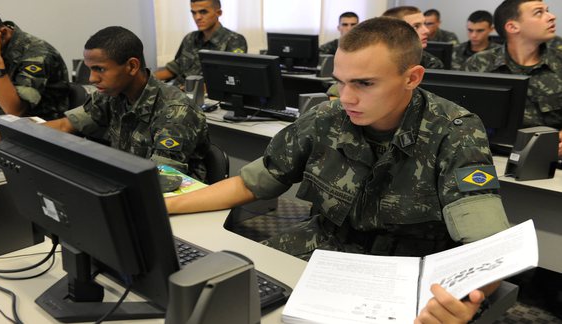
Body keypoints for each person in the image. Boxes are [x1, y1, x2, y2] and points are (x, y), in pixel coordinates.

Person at [167, 17, 510, 323]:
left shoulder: (455, 130)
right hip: (325, 245)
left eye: (364, 83)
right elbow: (254, 182)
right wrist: (167, 205)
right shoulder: (326, 117)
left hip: (407, 268)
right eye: (341, 82)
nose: (346, 97)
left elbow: (487, 243)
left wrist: (460, 301)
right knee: (231, 297)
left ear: (412, 78)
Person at [0, 26, 211, 181]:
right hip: (126, 187)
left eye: (100, 69)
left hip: (170, 204)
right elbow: (65, 126)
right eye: (89, 69)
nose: (92, 79)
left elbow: (163, 178)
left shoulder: (175, 112)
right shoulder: (111, 95)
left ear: (132, 66)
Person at [463, 0, 562, 157]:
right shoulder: (479, 64)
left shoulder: (559, 62)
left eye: (548, 11)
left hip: (551, 158)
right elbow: (461, 120)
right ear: (513, 27)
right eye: (539, 12)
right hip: (490, 156)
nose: (551, 17)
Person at [0, 4, 69, 120]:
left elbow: (15, 111)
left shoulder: (38, 55)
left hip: (40, 125)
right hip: (2, 120)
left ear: (2, 33)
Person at [154, 0, 247, 87]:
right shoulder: (190, 38)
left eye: (203, 12)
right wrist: (146, 78)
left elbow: (232, 80)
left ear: (218, 13)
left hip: (206, 98)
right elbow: (174, 68)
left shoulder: (234, 40)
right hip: (177, 92)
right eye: (194, 13)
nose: (197, 17)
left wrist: (193, 89)